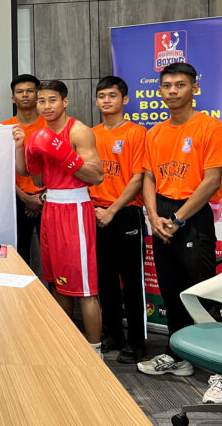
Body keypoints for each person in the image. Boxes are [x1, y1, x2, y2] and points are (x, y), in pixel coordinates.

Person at [138, 63, 222, 401]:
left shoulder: (210, 127)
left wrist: (177, 219)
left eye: (180, 85)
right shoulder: (154, 133)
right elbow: (149, 177)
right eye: (167, 85)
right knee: (172, 291)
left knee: (202, 293)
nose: (173, 91)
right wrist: (153, 217)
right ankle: (178, 356)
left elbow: (212, 181)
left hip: (192, 216)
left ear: (194, 88)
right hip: (161, 214)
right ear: (160, 91)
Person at [16, 79, 104, 355]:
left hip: (75, 208)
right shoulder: (39, 135)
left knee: (85, 288)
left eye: (52, 100)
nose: (46, 106)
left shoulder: (79, 131)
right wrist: (22, 149)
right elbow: (37, 179)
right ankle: (64, 346)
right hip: (51, 208)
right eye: (41, 101)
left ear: (65, 102)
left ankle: (96, 352)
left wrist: (65, 155)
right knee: (58, 282)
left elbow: (97, 176)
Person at [90, 76, 148, 364]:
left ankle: (137, 342)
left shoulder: (137, 133)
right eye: (101, 96)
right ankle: (113, 333)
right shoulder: (90, 134)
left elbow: (138, 178)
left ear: (124, 99)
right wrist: (98, 210)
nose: (106, 100)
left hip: (125, 214)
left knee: (132, 281)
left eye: (112, 95)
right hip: (95, 212)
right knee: (105, 279)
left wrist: (112, 210)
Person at [1, 74, 46, 266]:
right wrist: (25, 198)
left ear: (38, 95)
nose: (25, 95)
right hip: (16, 201)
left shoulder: (51, 125)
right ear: (13, 98)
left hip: (47, 199)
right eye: (19, 92)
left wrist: (41, 197)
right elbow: (1, 171)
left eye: (30, 91)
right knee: (18, 255)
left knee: (52, 254)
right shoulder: (4, 129)